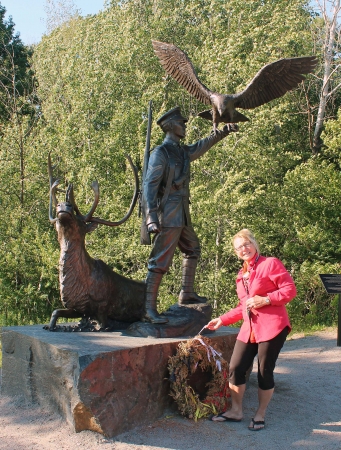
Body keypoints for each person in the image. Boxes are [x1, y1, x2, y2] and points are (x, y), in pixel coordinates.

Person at [142, 106, 238, 324]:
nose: (184, 125)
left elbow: (201, 146)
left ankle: (186, 294)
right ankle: (148, 309)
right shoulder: (161, 153)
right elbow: (149, 186)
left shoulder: (182, 151)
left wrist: (222, 132)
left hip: (182, 213)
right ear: (170, 126)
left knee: (192, 249)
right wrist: (151, 217)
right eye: (181, 123)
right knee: (159, 262)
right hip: (167, 214)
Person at [206, 228, 296, 430]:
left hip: (273, 326)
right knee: (236, 368)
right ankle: (236, 411)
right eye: (239, 247)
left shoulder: (270, 263)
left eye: (246, 244)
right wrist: (222, 319)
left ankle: (260, 414)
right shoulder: (241, 275)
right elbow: (243, 305)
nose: (243, 249)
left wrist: (266, 299)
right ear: (236, 252)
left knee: (265, 371)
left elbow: (290, 290)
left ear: (254, 244)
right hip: (250, 328)